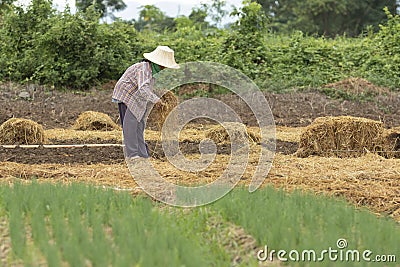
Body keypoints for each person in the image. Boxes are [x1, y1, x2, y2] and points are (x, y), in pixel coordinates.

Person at [112, 46, 179, 159]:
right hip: (127, 95)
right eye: (164, 66)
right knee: (131, 125)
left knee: (140, 125)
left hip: (137, 97)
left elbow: (148, 88)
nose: (165, 68)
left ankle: (143, 154)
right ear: (159, 63)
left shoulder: (152, 72)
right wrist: (156, 100)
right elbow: (143, 89)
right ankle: (132, 155)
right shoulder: (144, 69)